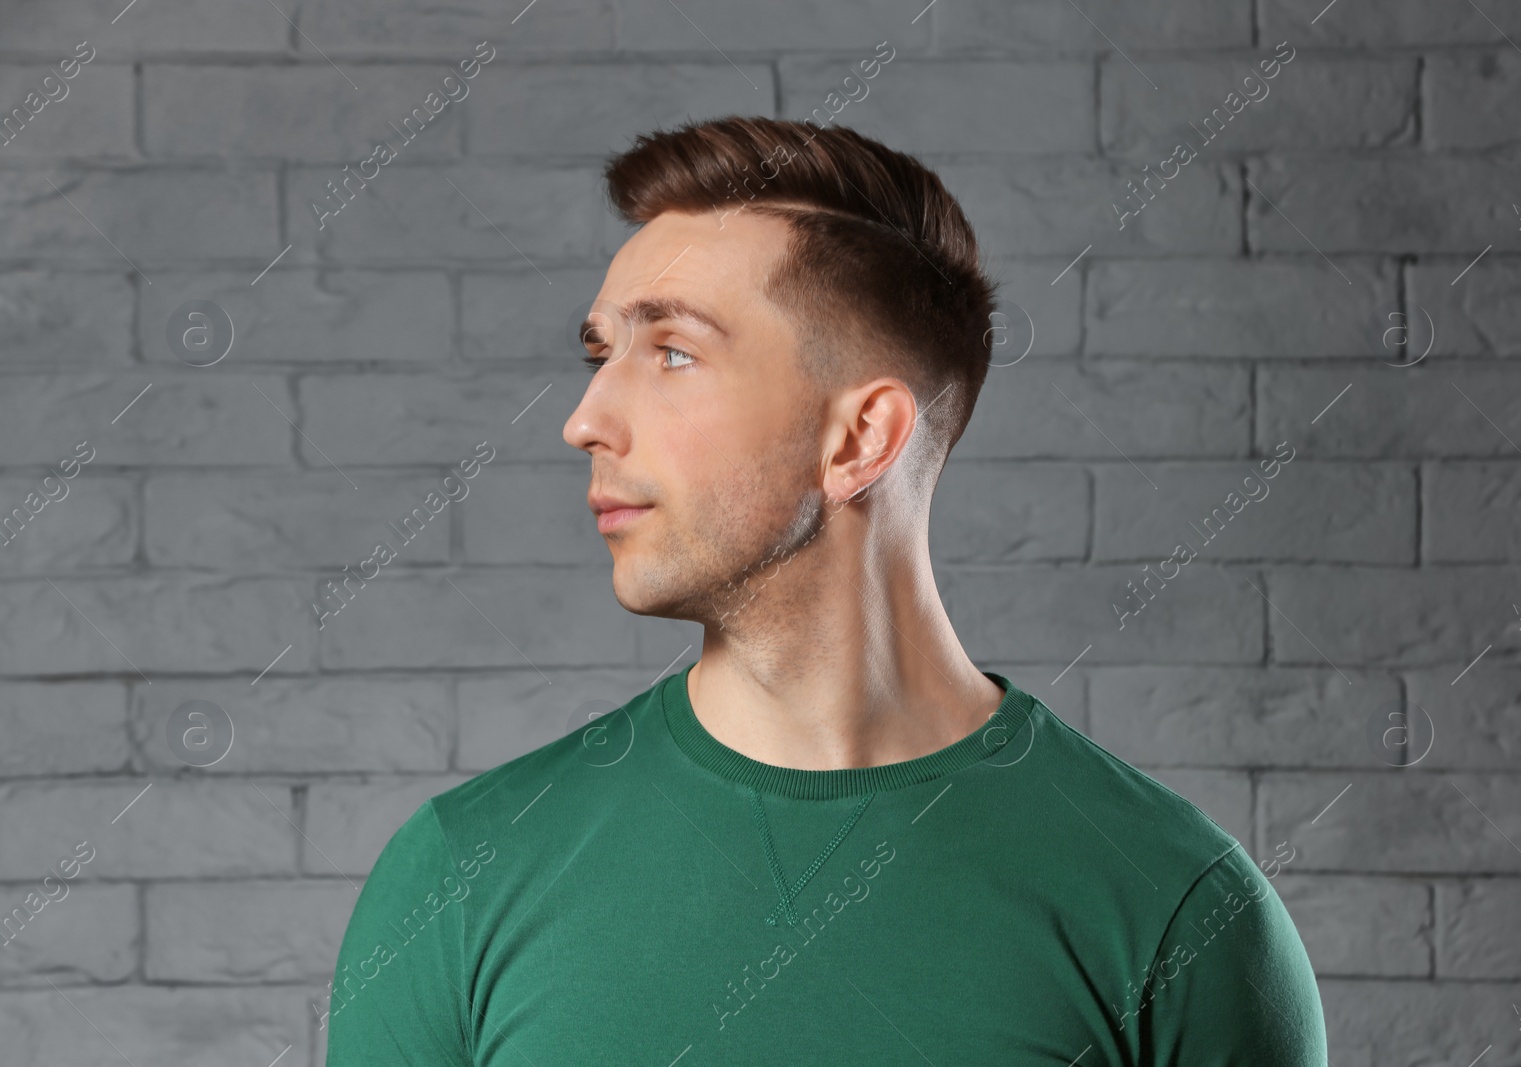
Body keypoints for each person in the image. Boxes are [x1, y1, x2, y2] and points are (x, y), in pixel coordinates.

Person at [323, 115, 1327, 1065]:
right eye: (600, 354)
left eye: (671, 353)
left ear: (857, 439)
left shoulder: (1176, 908)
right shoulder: (458, 875)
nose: (585, 418)